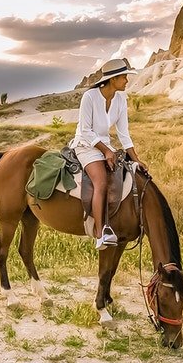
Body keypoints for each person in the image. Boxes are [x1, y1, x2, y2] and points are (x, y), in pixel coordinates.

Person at [70, 58, 148, 250]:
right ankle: (100, 232)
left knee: (126, 175)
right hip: (86, 145)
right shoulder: (90, 97)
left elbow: (124, 133)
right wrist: (106, 151)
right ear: (113, 80)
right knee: (101, 181)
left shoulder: (121, 99)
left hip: (105, 147)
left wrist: (136, 160)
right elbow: (86, 131)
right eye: (124, 77)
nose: (127, 81)